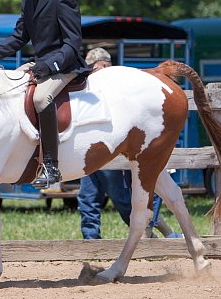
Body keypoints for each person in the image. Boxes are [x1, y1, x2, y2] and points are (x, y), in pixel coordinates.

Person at [0, 0, 88, 189]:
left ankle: (51, 166)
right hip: (41, 63)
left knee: (41, 99)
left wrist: (47, 66)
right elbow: (20, 36)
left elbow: (72, 44)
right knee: (8, 84)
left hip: (65, 65)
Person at [77, 47, 182, 239]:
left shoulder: (116, 87)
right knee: (87, 198)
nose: (98, 70)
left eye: (102, 66)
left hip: (110, 149)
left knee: (122, 198)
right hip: (89, 150)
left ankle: (147, 232)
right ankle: (91, 240)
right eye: (94, 66)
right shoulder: (85, 86)